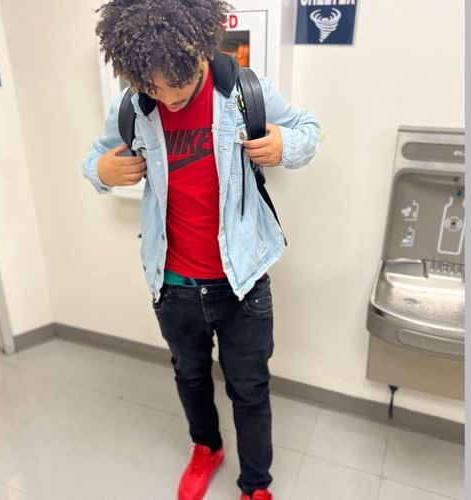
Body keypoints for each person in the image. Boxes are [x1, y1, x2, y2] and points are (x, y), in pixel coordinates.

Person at [83, 1, 323, 498]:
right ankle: (206, 447)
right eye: (153, 90)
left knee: (249, 388)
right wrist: (100, 173)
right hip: (172, 285)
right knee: (190, 375)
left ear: (198, 49)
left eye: (180, 87)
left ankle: (255, 484)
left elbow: (309, 129)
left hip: (243, 282)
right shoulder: (131, 107)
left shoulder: (243, 92)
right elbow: (96, 156)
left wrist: (287, 146)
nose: (169, 102)